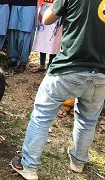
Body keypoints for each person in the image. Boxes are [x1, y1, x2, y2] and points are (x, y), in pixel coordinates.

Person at [10, 0, 105, 179]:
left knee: (41, 116)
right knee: (88, 120)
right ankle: (78, 161)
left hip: (69, 67)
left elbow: (47, 19)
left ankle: (29, 166)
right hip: (101, 72)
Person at [31, 0, 62, 72]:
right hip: (44, 8)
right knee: (42, 39)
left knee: (54, 40)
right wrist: (39, 9)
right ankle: (42, 64)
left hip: (56, 9)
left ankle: (51, 65)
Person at [6, 0, 37, 73]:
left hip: (30, 5)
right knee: (13, 31)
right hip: (14, 4)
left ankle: (23, 62)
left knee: (26, 33)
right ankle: (13, 59)